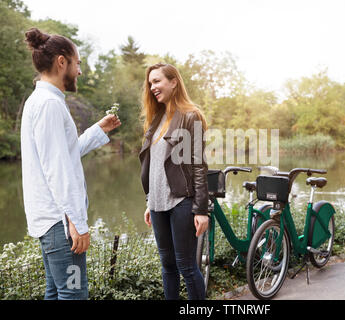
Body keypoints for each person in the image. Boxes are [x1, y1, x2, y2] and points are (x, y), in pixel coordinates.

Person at [21, 28, 121, 300]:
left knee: (56, 294)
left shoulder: (42, 101)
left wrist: (97, 130)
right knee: (74, 293)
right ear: (61, 62)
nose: (79, 71)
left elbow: (64, 154)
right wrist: (77, 222)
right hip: (61, 225)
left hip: (53, 223)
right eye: (78, 63)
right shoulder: (49, 105)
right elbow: (58, 170)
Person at [139, 63, 209, 300]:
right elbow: (154, 167)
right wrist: (150, 201)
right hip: (158, 205)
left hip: (182, 201)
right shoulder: (155, 120)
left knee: (187, 267)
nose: (152, 87)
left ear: (173, 82)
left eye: (157, 81)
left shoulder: (191, 116)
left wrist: (201, 209)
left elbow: (199, 165)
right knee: (167, 266)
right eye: (150, 83)